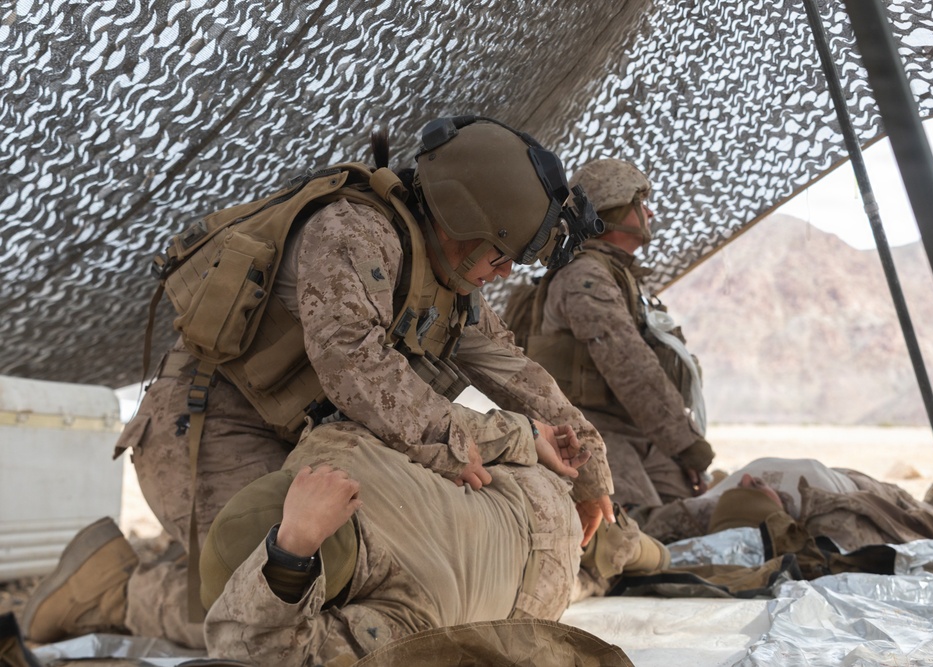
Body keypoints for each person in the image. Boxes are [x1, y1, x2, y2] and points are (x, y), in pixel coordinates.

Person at [23, 117, 617, 648]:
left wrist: (589, 471)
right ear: (464, 221)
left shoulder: (451, 282)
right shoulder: (351, 232)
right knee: (262, 594)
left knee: (337, 578)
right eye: (502, 253)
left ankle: (136, 583)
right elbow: (356, 367)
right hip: (204, 427)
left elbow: (518, 374)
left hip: (291, 435)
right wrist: (495, 438)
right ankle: (113, 591)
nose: (506, 271)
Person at [197, 412, 667, 666]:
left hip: (544, 580)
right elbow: (435, 422)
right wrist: (524, 433)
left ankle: (644, 552)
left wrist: (296, 544)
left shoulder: (405, 614)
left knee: (607, 564)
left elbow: (253, 652)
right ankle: (645, 548)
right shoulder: (333, 442)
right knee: (621, 544)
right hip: (530, 483)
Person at [518, 158, 713, 510]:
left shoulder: (621, 277)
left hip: (635, 429)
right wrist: (686, 445)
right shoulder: (584, 278)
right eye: (640, 204)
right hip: (588, 428)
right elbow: (629, 365)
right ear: (612, 210)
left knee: (700, 509)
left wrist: (680, 449)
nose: (650, 213)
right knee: (639, 525)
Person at [630, 457, 933, 553]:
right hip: (854, 483)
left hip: (719, 496)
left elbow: (642, 524)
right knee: (918, 506)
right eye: (755, 489)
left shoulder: (705, 510)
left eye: (743, 485)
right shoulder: (832, 519)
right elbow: (906, 530)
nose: (748, 479)